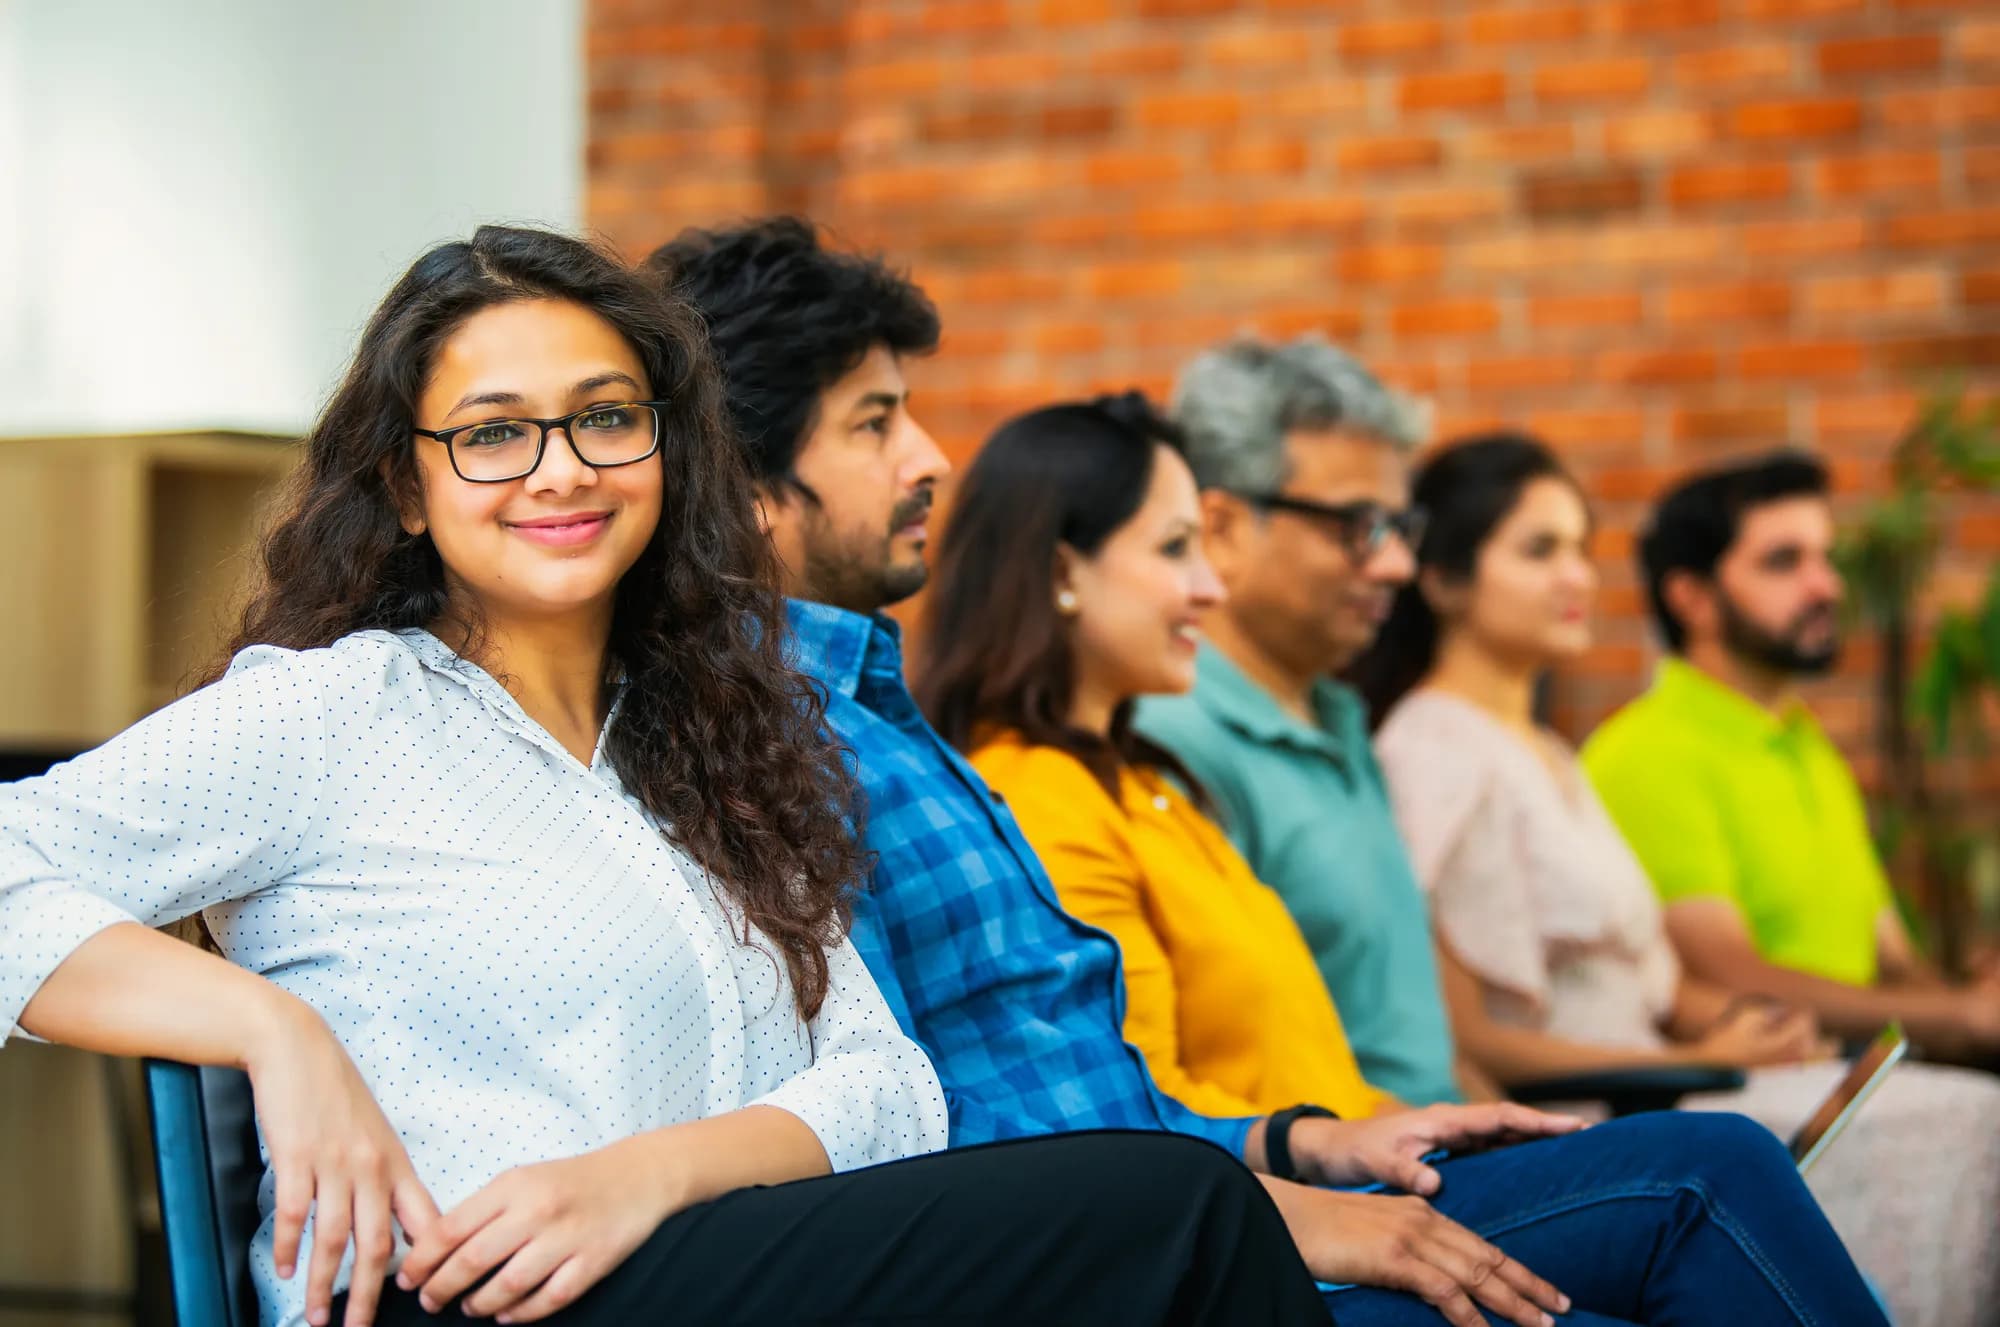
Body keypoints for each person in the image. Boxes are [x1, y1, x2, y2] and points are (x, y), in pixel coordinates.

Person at [0, 226, 1341, 1327]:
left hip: (706, 1262)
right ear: (406, 488)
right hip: (454, 1289)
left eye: (604, 419)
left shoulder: (716, 735)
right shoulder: (338, 708)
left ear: (668, 450)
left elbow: (885, 1083)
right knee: (1174, 1211)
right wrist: (263, 1026)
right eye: (492, 433)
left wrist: (635, 1182)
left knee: (1155, 1241)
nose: (561, 469)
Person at [650, 214, 1894, 1327]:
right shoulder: (771, 751)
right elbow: (920, 1129)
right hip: (1140, 1255)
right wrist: (1281, 1202)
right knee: (1688, 1195)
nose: (928, 455)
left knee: (1713, 1167)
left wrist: (1302, 1138)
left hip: (1205, 1196)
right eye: (876, 422)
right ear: (748, 481)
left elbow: (1092, 1084)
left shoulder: (892, 719)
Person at [1352, 431, 2000, 1327]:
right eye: (1540, 549)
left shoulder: (1547, 750)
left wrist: (1735, 1028)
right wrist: (1702, 1056)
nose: (1579, 575)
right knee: (1965, 1128)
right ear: (1444, 579)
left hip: (1668, 1083)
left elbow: (1637, 975)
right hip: (1580, 1123)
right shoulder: (1431, 751)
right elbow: (1477, 1044)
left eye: (1582, 546)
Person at [919, 392, 1394, 1123]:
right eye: (1176, 548)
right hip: (1306, 1205)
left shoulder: (1137, 780)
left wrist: (1421, 1126)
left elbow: (1298, 1071)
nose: (1210, 586)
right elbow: (1144, 1109)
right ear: (1061, 575)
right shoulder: (1038, 798)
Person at [1581, 452, 2000, 1065]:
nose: (1826, 586)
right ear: (1692, 597)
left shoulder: (1812, 747)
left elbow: (1892, 962)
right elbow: (1733, 976)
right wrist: (1962, 1014)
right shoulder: (1642, 753)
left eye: (1825, 558)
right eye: (1784, 562)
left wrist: (1971, 1002)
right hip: (1748, 1092)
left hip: (1860, 1077)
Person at [1130, 336, 1461, 1107]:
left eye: (1399, 527)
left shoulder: (1336, 712)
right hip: (1350, 1177)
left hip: (1430, 1143)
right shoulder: (1173, 737)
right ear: (1222, 529)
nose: (1395, 566)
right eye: (1357, 525)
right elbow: (1215, 1058)